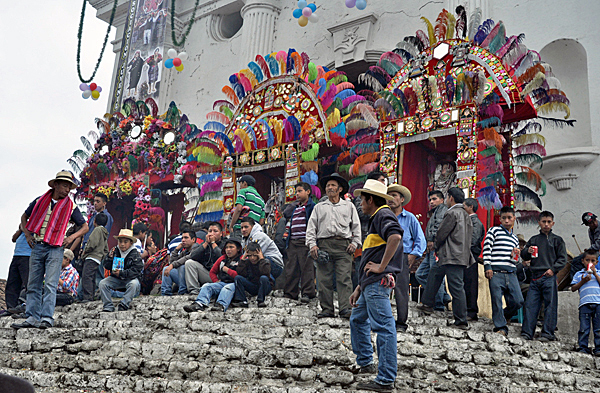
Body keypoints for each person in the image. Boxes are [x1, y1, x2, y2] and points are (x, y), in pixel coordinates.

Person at [12, 171, 88, 330]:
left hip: (56, 248)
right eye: (65, 186)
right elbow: (24, 217)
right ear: (56, 185)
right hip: (38, 245)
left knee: (51, 284)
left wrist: (71, 238)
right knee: (33, 283)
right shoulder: (40, 201)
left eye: (69, 187)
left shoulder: (71, 206)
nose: (67, 190)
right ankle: (32, 317)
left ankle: (46, 317)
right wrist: (27, 235)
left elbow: (85, 226)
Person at [349, 179, 403, 393]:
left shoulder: (382, 214)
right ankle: (365, 362)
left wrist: (382, 266)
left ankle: (386, 378)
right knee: (357, 319)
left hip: (377, 282)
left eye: (362, 200)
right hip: (369, 284)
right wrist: (360, 286)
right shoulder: (377, 217)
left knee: (383, 327)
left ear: (370, 199)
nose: (361, 204)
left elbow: (395, 236)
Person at [306, 173, 361, 319]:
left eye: (333, 186)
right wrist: (312, 245)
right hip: (324, 245)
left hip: (344, 246)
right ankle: (327, 309)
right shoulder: (319, 207)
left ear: (340, 189)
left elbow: (356, 227)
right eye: (328, 186)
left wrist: (355, 243)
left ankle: (346, 308)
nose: (329, 188)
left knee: (344, 278)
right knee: (323, 279)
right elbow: (311, 228)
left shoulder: (349, 206)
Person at [418, 187, 474, 329]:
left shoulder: (452, 213)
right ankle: (427, 303)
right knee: (434, 273)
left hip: (451, 255)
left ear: (450, 198)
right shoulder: (466, 215)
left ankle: (461, 320)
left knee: (456, 287)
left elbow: (442, 232)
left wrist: (435, 244)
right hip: (459, 254)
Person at [520, 211, 567, 341]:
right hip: (535, 277)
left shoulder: (557, 240)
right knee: (530, 305)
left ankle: (547, 333)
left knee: (550, 305)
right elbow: (524, 255)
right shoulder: (534, 240)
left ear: (553, 223)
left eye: (549, 222)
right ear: (539, 223)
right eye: (543, 222)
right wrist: (527, 251)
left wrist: (553, 270)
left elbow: (562, 259)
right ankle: (527, 333)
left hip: (549, 276)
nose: (546, 224)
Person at [387, 184, 425, 332]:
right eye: (389, 196)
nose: (391, 199)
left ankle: (401, 322)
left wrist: (413, 254)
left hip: (402, 256)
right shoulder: (383, 215)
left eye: (395, 195)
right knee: (379, 287)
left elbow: (420, 239)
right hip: (384, 255)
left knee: (401, 290)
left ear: (402, 199)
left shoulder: (410, 218)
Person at [482, 206, 524, 336]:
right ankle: (501, 327)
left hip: (511, 273)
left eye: (509, 218)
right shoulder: (493, 231)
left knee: (518, 301)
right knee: (496, 300)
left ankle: (505, 315)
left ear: (514, 219)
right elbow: (487, 249)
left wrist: (516, 255)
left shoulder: (515, 238)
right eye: (504, 218)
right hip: (496, 272)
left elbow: (515, 259)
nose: (506, 220)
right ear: (500, 219)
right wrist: (488, 267)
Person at [183, 237, 243, 313]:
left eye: (231, 247)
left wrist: (227, 270)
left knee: (227, 288)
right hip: (222, 282)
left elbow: (241, 276)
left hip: (236, 284)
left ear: (238, 249)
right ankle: (199, 303)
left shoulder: (242, 259)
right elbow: (212, 272)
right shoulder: (222, 259)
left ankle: (221, 305)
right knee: (206, 286)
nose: (228, 250)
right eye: (227, 247)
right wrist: (216, 281)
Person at [416, 190, 451, 311]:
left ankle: (439, 304)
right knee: (420, 274)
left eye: (434, 199)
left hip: (435, 247)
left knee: (435, 276)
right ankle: (443, 296)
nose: (431, 202)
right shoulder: (436, 211)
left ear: (442, 200)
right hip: (430, 248)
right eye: (430, 199)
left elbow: (438, 225)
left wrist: (431, 239)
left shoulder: (442, 209)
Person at [282, 182, 316, 302]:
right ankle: (290, 293)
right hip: (292, 241)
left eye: (300, 191)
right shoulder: (295, 207)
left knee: (306, 267)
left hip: (304, 241)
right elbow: (285, 213)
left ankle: (307, 292)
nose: (297, 194)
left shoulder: (312, 206)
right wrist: (294, 204)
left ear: (308, 192)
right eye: (296, 192)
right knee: (291, 267)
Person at [98, 229, 143, 312]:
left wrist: (121, 273)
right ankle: (108, 305)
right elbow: (106, 265)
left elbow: (136, 271)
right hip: (116, 279)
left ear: (131, 243)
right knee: (103, 283)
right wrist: (109, 258)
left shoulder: (135, 254)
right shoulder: (114, 251)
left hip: (129, 279)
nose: (122, 244)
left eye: (125, 242)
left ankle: (124, 304)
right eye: (120, 241)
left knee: (134, 284)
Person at [570, 249, 600, 355]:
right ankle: (583, 347)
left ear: (597, 262)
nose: (590, 263)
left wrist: (595, 274)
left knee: (598, 328)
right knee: (584, 327)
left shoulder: (599, 273)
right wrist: (583, 281)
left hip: (598, 303)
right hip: (584, 304)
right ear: (583, 261)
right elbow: (573, 288)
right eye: (587, 260)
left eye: (593, 261)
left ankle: (598, 348)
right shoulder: (579, 274)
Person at [186, 222, 226, 295]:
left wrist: (213, 243)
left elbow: (221, 257)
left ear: (221, 233)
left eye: (215, 231)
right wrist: (206, 243)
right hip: (208, 274)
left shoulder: (226, 243)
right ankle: (194, 290)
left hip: (220, 277)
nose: (212, 233)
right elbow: (193, 256)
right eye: (210, 231)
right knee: (189, 263)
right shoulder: (205, 244)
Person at [463, 198, 485, 321]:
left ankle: (471, 311)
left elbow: (473, 239)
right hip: (466, 255)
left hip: (470, 256)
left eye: (464, 206)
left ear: (470, 207)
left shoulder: (475, 223)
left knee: (470, 284)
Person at [1, 228, 31, 316]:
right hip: (17, 255)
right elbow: (14, 239)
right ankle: (11, 308)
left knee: (27, 284)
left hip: (28, 255)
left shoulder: (34, 223)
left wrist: (24, 228)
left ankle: (26, 307)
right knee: (12, 283)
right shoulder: (23, 225)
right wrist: (21, 229)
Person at [79, 213, 109, 301]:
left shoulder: (97, 230)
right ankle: (91, 296)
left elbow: (92, 243)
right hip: (98, 259)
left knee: (86, 277)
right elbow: (106, 249)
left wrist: (85, 251)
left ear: (94, 221)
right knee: (92, 277)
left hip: (91, 257)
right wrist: (101, 256)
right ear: (106, 224)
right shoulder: (104, 233)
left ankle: (87, 297)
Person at [233, 242, 273, 308]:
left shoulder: (265, 261)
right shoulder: (247, 262)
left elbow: (265, 272)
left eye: (255, 255)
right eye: (250, 256)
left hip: (264, 287)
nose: (252, 258)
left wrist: (261, 259)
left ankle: (260, 301)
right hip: (253, 286)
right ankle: (242, 301)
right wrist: (243, 258)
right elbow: (240, 272)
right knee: (238, 278)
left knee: (263, 278)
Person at [161, 230, 199, 296]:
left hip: (195, 280)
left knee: (183, 266)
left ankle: (183, 292)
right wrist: (176, 250)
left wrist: (172, 265)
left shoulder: (197, 248)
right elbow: (172, 262)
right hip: (185, 279)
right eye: (182, 238)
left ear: (193, 239)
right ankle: (165, 293)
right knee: (166, 269)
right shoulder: (185, 251)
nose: (183, 240)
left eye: (186, 238)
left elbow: (186, 258)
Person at [572, 212, 600, 280]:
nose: (594, 224)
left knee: (576, 261)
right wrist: (588, 252)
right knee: (582, 260)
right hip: (596, 251)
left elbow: (598, 244)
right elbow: (593, 244)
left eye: (594, 221)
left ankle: (574, 280)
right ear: (587, 225)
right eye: (591, 223)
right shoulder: (590, 231)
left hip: (598, 251)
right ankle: (579, 279)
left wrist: (588, 251)